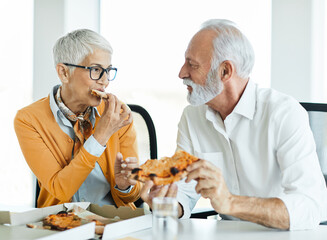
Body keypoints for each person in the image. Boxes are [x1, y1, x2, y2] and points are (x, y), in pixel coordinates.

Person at [141, 19, 327, 230]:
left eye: (192, 65)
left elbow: (310, 207)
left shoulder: (284, 113)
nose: (182, 73)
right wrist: (166, 202)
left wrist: (230, 202)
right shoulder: (192, 117)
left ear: (225, 72)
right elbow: (184, 190)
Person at [14, 29, 141, 209]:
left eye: (108, 70)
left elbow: (134, 195)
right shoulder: (28, 119)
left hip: (115, 225)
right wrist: (100, 137)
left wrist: (125, 185)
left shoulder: (118, 116)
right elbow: (60, 189)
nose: (105, 81)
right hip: (61, 225)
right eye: (96, 70)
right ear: (64, 73)